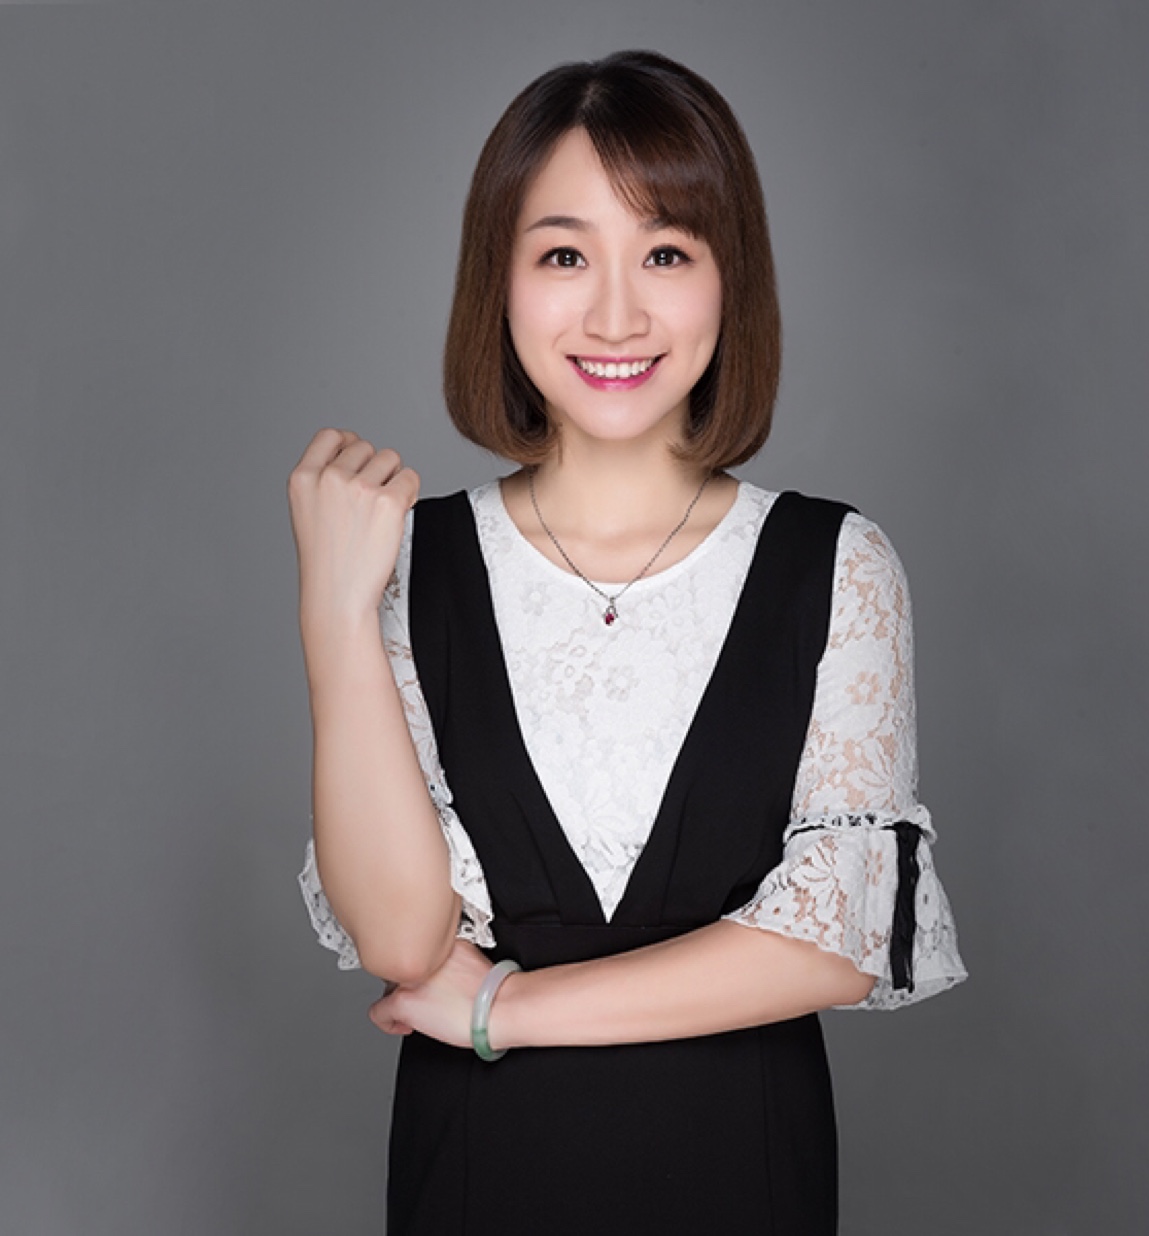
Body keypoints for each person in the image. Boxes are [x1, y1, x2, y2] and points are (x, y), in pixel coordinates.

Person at [289, 49, 966, 1236]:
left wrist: (503, 1010)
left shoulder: (836, 566)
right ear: (498, 282)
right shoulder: (409, 564)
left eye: (666, 253)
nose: (615, 315)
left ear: (729, 278)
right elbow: (402, 936)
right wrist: (335, 613)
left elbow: (834, 943)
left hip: (744, 1182)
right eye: (564, 255)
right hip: (476, 1184)